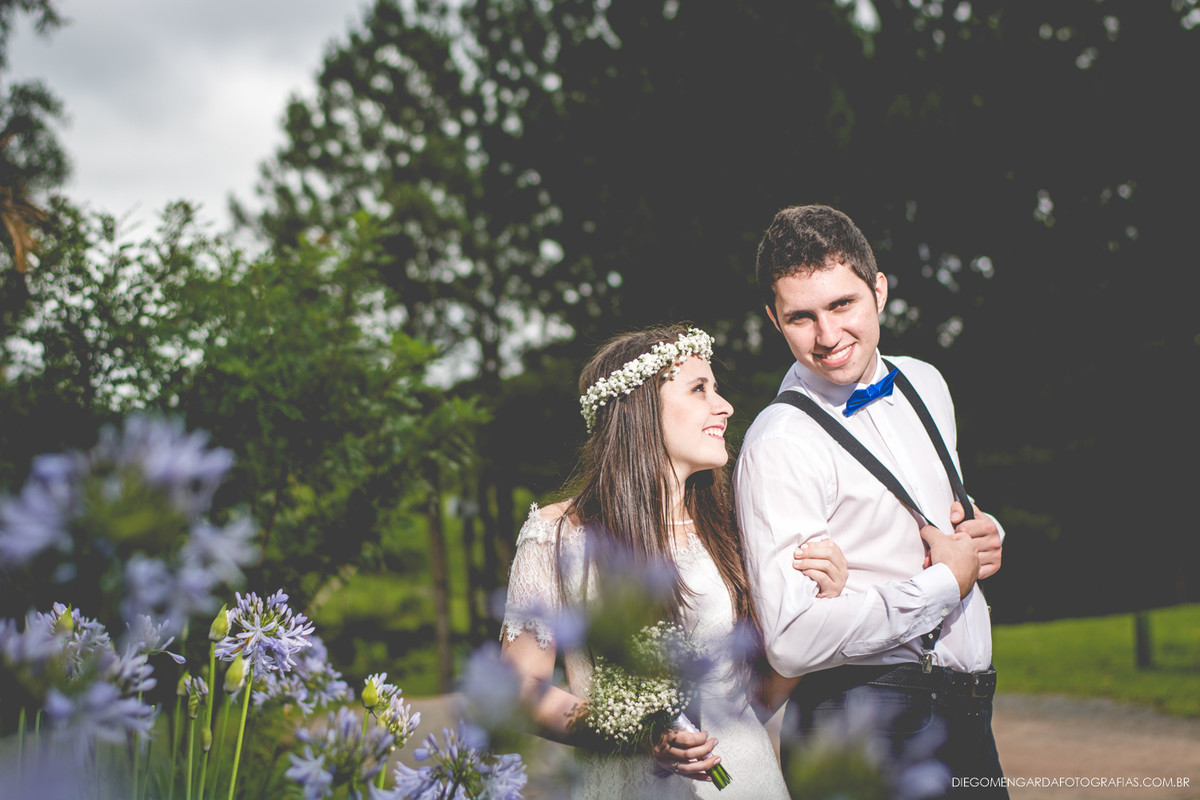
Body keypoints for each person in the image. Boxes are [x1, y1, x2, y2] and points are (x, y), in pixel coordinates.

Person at [499, 325, 848, 800]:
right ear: (640, 412)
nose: (724, 407)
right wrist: (635, 732)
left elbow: (759, 697)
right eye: (699, 389)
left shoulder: (734, 528)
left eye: (716, 389)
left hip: (746, 783)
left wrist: (820, 607)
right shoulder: (557, 536)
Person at [734, 205, 1008, 796]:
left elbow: (920, 510)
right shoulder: (779, 442)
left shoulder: (926, 381)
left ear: (878, 290)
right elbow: (791, 639)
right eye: (801, 317)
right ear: (774, 320)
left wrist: (983, 534)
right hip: (861, 723)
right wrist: (944, 585)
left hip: (968, 711)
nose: (828, 336)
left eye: (842, 305)